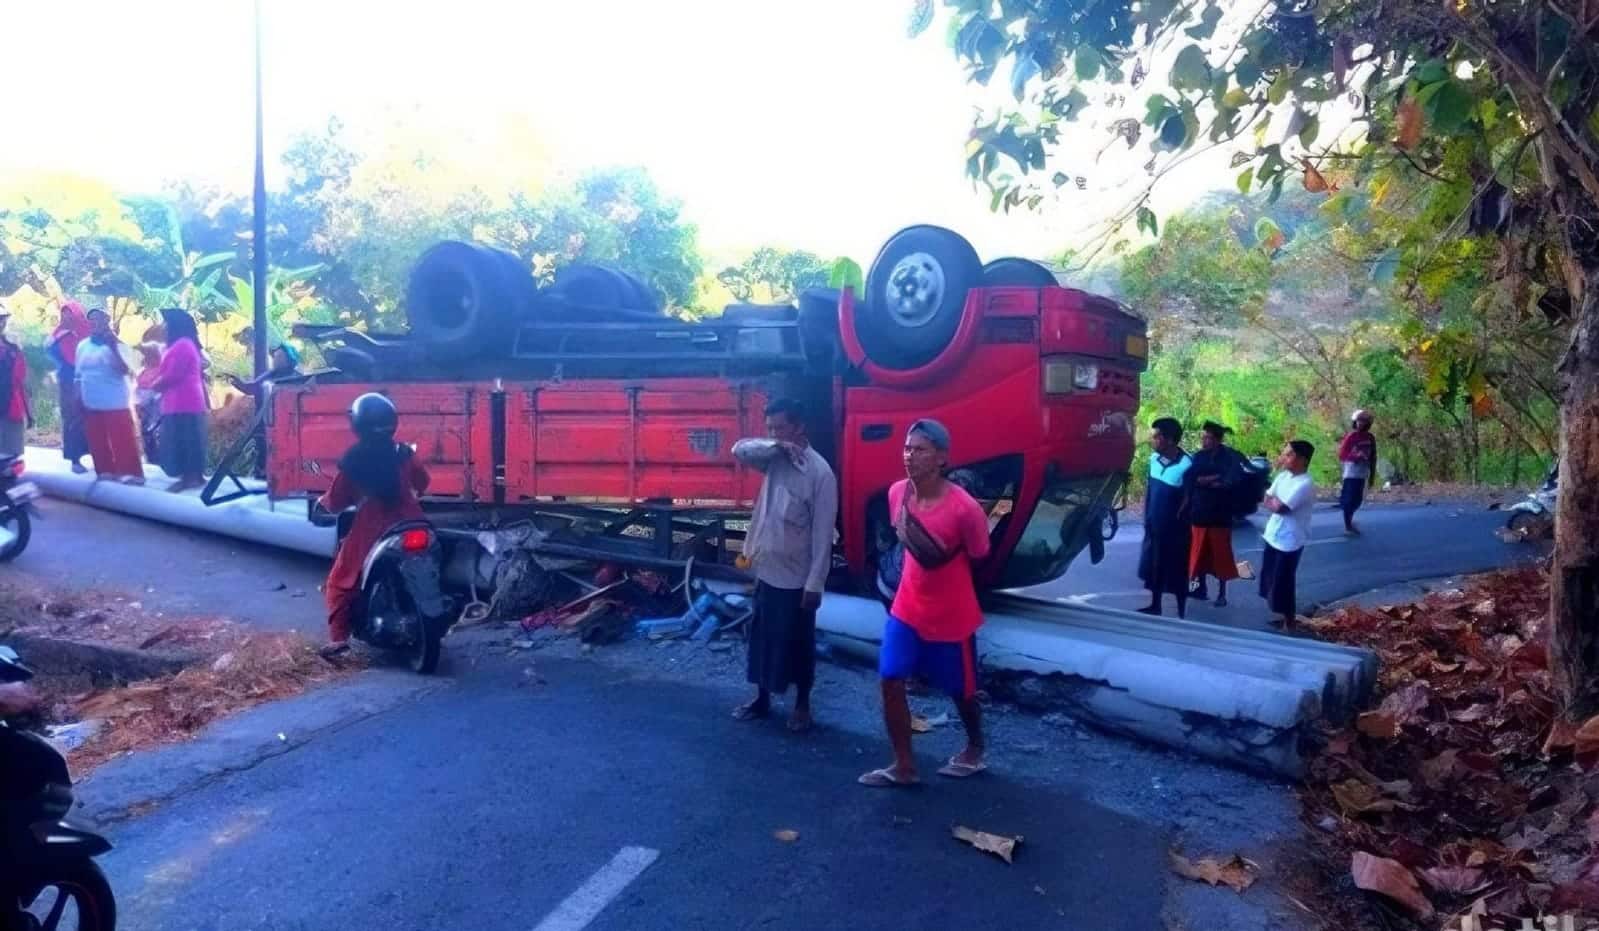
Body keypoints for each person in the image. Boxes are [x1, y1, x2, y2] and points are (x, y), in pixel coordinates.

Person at [859, 419, 992, 788]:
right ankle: (903, 765)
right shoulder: (896, 493)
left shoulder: (965, 509)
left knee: (962, 692)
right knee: (890, 678)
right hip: (906, 609)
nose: (909, 456)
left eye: (919, 449)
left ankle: (975, 748)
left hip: (951, 615)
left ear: (941, 458)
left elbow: (980, 553)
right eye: (907, 448)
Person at [729, 398, 838, 732]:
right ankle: (761, 699)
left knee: (798, 643)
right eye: (770, 428)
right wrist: (776, 444)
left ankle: (802, 705)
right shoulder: (773, 458)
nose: (774, 433)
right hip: (766, 568)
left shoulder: (820, 473)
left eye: (781, 428)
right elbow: (739, 449)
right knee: (761, 639)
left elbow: (823, 536)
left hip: (796, 577)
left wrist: (815, 584)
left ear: (799, 427)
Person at [316, 393, 430, 657]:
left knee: (340, 580)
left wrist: (322, 505)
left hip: (373, 529)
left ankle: (339, 639)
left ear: (358, 424)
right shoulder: (405, 453)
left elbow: (336, 500)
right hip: (413, 522)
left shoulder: (353, 460)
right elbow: (423, 482)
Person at [75, 309, 144, 484]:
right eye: (91, 320)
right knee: (96, 436)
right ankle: (104, 469)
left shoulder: (118, 344)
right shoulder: (83, 345)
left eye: (98, 319)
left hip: (114, 398)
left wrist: (112, 345)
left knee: (121, 436)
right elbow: (78, 374)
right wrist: (77, 396)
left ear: (107, 321)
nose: (94, 323)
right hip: (90, 397)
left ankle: (131, 472)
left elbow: (125, 369)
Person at [1138, 417, 1194, 618]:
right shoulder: (1154, 460)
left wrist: (1179, 521)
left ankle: (1181, 612)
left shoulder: (1187, 464)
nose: (1153, 440)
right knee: (1154, 565)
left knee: (1177, 568)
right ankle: (1155, 605)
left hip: (1176, 530)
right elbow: (1150, 490)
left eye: (1157, 437)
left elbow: (1189, 498)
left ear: (1169, 440)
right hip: (1154, 524)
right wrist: (1147, 517)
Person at [149, 308, 209, 492]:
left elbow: (174, 375)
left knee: (185, 439)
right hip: (179, 402)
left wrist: (154, 385)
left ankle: (191, 478)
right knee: (185, 438)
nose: (164, 327)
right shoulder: (181, 344)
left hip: (184, 402)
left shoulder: (183, 345)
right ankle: (190, 477)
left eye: (166, 323)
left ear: (175, 325)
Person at [1259, 440, 1318, 627]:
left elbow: (1281, 508)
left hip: (1290, 539)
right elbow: (1267, 499)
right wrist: (1274, 502)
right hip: (1273, 534)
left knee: (1284, 580)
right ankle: (1281, 613)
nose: (1284, 458)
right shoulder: (1283, 477)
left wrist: (1274, 503)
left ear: (1302, 460)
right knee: (1270, 576)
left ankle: (1289, 620)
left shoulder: (1305, 484)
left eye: (1289, 454)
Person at [1188, 421, 1242, 607]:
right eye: (1203, 437)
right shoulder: (1198, 457)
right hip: (1200, 512)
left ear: (1217, 440)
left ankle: (1222, 594)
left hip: (1220, 514)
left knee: (1221, 556)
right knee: (1198, 553)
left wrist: (1211, 480)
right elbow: (1192, 479)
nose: (1204, 440)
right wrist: (1212, 479)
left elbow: (1231, 480)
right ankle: (1199, 588)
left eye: (1208, 437)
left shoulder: (1229, 457)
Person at [45, 301, 91, 473]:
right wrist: (61, 336)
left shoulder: (88, 331)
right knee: (72, 418)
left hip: (89, 382)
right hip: (68, 382)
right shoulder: (58, 334)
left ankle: (95, 455)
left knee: (90, 418)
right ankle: (74, 458)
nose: (66, 317)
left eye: (69, 313)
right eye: (63, 314)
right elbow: (50, 352)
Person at [1337, 410, 1377, 535]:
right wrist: (1355, 457)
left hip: (1362, 473)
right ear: (1355, 422)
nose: (1361, 424)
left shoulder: (1370, 438)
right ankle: (1348, 526)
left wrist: (1372, 476)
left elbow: (1373, 456)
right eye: (1359, 421)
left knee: (1357, 501)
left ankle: (1349, 521)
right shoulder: (1351, 436)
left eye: (1364, 421)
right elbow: (1342, 455)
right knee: (1349, 500)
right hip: (1351, 473)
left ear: (1369, 423)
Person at [0, 307, 30, 459]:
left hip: (10, 400)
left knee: (11, 451)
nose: (1, 323)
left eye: (2, 320)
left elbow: (20, 376)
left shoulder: (12, 347)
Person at [226, 343, 301, 403]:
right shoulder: (270, 375)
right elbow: (251, 388)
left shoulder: (299, 378)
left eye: (280, 357)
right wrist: (234, 381)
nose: (275, 360)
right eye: (275, 356)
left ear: (290, 361)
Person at [134, 342, 164, 462]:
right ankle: (151, 458)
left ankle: (156, 459)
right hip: (143, 409)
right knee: (146, 435)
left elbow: (156, 392)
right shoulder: (142, 371)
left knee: (153, 435)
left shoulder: (160, 371)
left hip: (153, 409)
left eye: (146, 355)